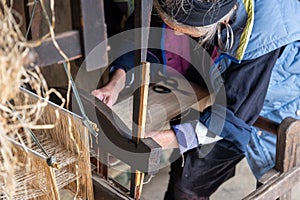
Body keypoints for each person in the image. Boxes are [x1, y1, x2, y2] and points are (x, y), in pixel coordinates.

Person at [92, 0, 300, 199]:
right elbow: (145, 38)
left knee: (190, 182)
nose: (174, 33)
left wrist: (167, 139)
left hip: (265, 98)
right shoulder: (175, 6)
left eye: (183, 29)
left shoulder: (264, 34)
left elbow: (232, 118)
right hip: (210, 77)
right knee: (182, 159)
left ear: (223, 21)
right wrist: (117, 81)